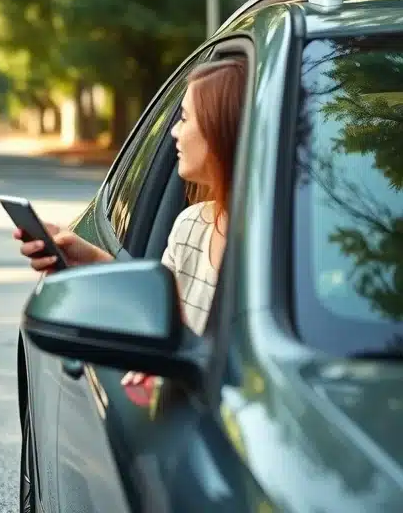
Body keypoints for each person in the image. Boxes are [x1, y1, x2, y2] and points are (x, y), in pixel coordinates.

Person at [13, 58, 246, 386]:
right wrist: (91, 261)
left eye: (184, 118)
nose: (174, 132)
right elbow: (156, 317)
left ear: (222, 127)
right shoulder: (189, 226)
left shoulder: (279, 246)